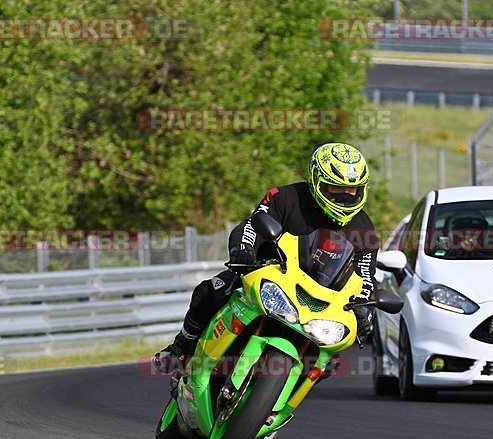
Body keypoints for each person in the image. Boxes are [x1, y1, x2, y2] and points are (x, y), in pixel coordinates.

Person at [152, 142, 380, 378]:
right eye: (335, 188)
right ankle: (180, 348)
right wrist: (243, 251)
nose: (345, 196)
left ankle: (279, 408)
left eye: (352, 190)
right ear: (316, 180)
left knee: (330, 360)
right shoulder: (284, 198)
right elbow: (251, 226)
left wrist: (364, 307)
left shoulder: (365, 230)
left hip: (321, 301)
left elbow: (365, 276)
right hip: (267, 275)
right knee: (212, 290)